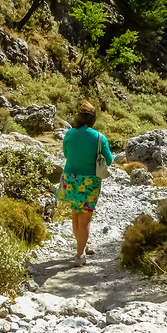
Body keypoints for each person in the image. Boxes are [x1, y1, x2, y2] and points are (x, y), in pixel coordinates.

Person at [58, 101, 113, 267]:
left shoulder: (69, 134)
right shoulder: (99, 138)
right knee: (86, 219)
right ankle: (80, 254)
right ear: (93, 119)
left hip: (70, 179)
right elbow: (109, 160)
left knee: (75, 213)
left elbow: (66, 154)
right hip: (89, 182)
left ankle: (80, 246)